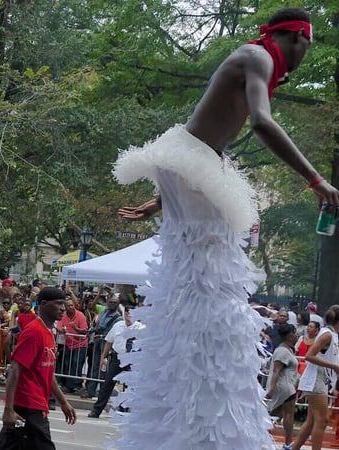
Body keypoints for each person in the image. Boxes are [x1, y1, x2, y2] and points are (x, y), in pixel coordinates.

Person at [113, 8, 338, 448]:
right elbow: (261, 121)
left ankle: (192, 397)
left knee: (201, 273)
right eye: (307, 46)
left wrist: (164, 199)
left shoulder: (257, 59)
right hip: (191, 158)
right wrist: (316, 179)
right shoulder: (259, 57)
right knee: (209, 278)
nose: (305, 57)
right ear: (297, 38)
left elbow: (211, 124)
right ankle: (203, 400)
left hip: (191, 161)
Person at [0, 287, 77, 449]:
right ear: (43, 304)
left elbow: (47, 373)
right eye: (59, 304)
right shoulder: (34, 332)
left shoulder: (49, 332)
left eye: (64, 304)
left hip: (35, 405)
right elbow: (14, 369)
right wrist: (8, 409)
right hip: (28, 406)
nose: (63, 308)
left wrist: (63, 402)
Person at [291, 306, 339, 450]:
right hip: (316, 378)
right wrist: (334, 367)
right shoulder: (327, 335)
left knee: (312, 420)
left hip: (321, 378)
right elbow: (309, 356)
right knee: (322, 421)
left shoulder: (332, 334)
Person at [88, 306, 143, 418]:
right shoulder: (118, 326)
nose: (129, 317)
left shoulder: (140, 328)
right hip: (117, 358)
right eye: (127, 314)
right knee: (107, 384)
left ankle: (124, 410)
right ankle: (97, 410)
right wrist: (103, 357)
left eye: (131, 314)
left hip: (131, 359)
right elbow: (109, 342)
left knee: (128, 387)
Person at [265, 323, 298, 450]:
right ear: (289, 335)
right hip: (285, 387)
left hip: (287, 386)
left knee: (276, 413)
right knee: (287, 414)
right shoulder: (282, 351)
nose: (296, 336)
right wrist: (271, 389)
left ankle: (286, 442)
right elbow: (276, 371)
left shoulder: (287, 349)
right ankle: (288, 442)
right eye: (294, 333)